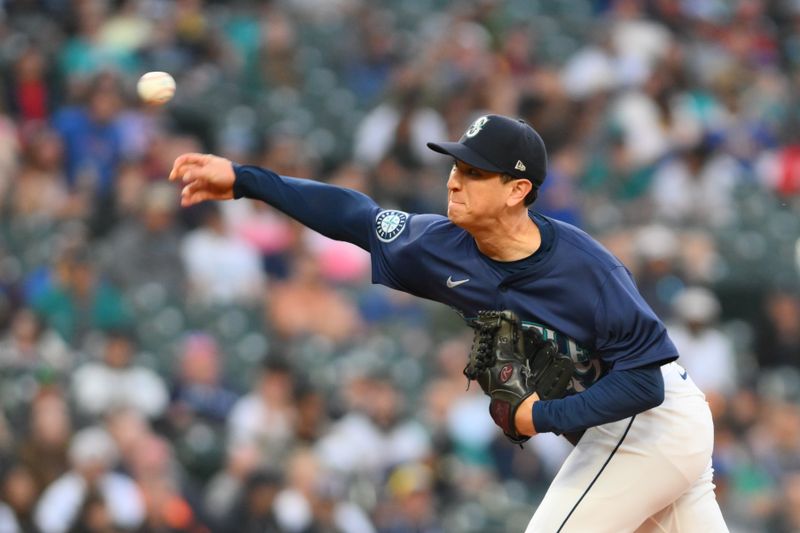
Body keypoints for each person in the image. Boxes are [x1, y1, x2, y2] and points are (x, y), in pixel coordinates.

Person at [169, 114, 728, 532]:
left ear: (518, 190)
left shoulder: (587, 269)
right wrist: (244, 180)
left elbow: (644, 383)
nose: (454, 180)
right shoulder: (440, 246)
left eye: (474, 172)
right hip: (638, 430)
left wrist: (543, 417)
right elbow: (353, 216)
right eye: (456, 166)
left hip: (651, 420)